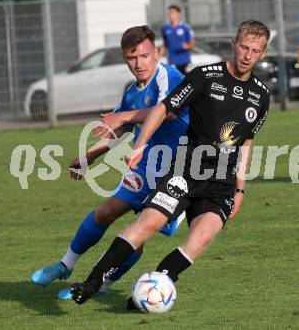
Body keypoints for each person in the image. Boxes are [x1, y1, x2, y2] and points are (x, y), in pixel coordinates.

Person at [69, 20, 271, 308]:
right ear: (234, 45)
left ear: (263, 53)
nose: (248, 55)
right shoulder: (204, 76)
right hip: (186, 171)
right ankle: (92, 282)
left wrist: (240, 189)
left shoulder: (261, 95)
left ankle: (154, 287)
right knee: (148, 222)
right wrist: (138, 147)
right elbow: (164, 108)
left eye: (255, 50)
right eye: (244, 47)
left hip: (221, 184)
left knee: (201, 238)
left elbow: (246, 142)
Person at [31, 25, 189, 300]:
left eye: (143, 55)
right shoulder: (132, 91)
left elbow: (169, 112)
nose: (139, 64)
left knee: (136, 235)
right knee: (105, 212)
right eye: (131, 58)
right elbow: (119, 129)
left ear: (156, 52)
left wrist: (126, 116)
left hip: (178, 168)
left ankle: (100, 283)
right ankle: (65, 264)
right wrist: (90, 156)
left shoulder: (169, 76)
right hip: (146, 164)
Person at [160, 4, 196, 75]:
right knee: (175, 82)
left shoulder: (185, 27)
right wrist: (159, 56)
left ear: (177, 14)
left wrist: (187, 46)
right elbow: (164, 44)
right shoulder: (166, 28)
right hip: (172, 61)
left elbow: (193, 42)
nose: (170, 15)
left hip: (185, 61)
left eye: (172, 12)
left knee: (186, 81)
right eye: (169, 13)